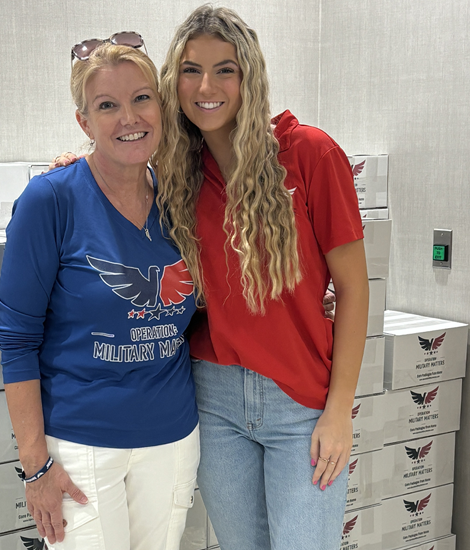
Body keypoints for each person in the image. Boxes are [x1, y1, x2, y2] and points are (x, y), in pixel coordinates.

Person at [151, 6, 370, 550]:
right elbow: (113, 155)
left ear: (250, 76)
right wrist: (73, 165)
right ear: (173, 80)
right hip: (214, 399)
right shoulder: (178, 171)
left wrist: (340, 409)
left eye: (225, 69)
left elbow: (355, 288)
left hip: (300, 403)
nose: (207, 86)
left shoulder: (310, 154)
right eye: (190, 69)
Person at [0, 38, 200, 550]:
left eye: (141, 98)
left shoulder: (180, 199)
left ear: (161, 105)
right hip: (81, 446)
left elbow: (211, 297)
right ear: (84, 122)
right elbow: (16, 340)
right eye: (107, 105)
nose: (128, 117)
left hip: (172, 437)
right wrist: (35, 466)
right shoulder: (52, 201)